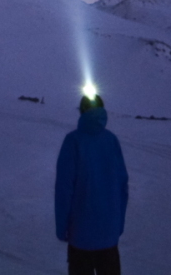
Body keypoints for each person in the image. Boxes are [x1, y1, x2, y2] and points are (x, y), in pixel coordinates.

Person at [54, 92, 129, 275]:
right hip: (109, 235)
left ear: (82, 111)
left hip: (80, 237)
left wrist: (62, 228)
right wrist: (118, 225)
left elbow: (64, 189)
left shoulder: (73, 141)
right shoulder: (111, 141)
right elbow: (122, 187)